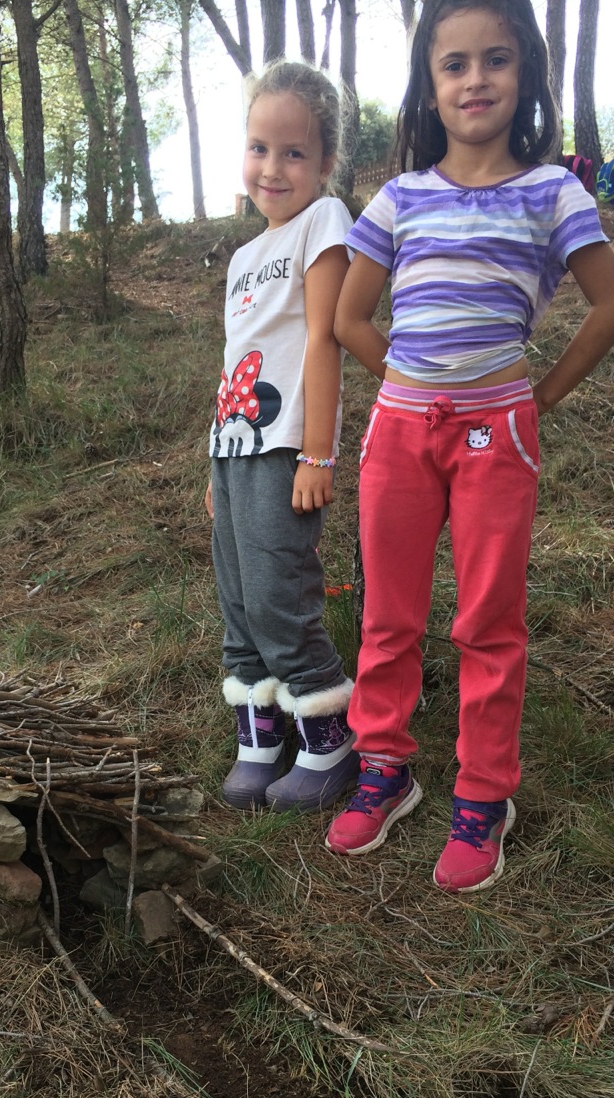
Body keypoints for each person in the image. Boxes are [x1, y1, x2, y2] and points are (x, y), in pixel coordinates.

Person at [325, 0, 614, 891]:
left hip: (498, 434)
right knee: (388, 615)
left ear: (524, 72)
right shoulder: (398, 198)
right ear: (429, 86)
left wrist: (539, 395)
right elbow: (349, 318)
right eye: (453, 64)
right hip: (399, 432)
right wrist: (412, 384)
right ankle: (384, 768)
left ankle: (483, 793)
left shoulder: (553, 192)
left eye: (495, 59)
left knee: (487, 620)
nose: (475, 80)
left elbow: (612, 304)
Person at [206, 62, 360, 813]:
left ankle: (329, 738)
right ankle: (260, 736)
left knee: (277, 593)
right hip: (233, 446)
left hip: (285, 447)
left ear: (324, 161)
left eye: (294, 152)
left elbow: (326, 339)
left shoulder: (323, 221)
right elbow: (237, 360)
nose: (273, 167)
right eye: (259, 148)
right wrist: (213, 464)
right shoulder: (242, 258)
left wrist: (318, 451)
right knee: (237, 596)